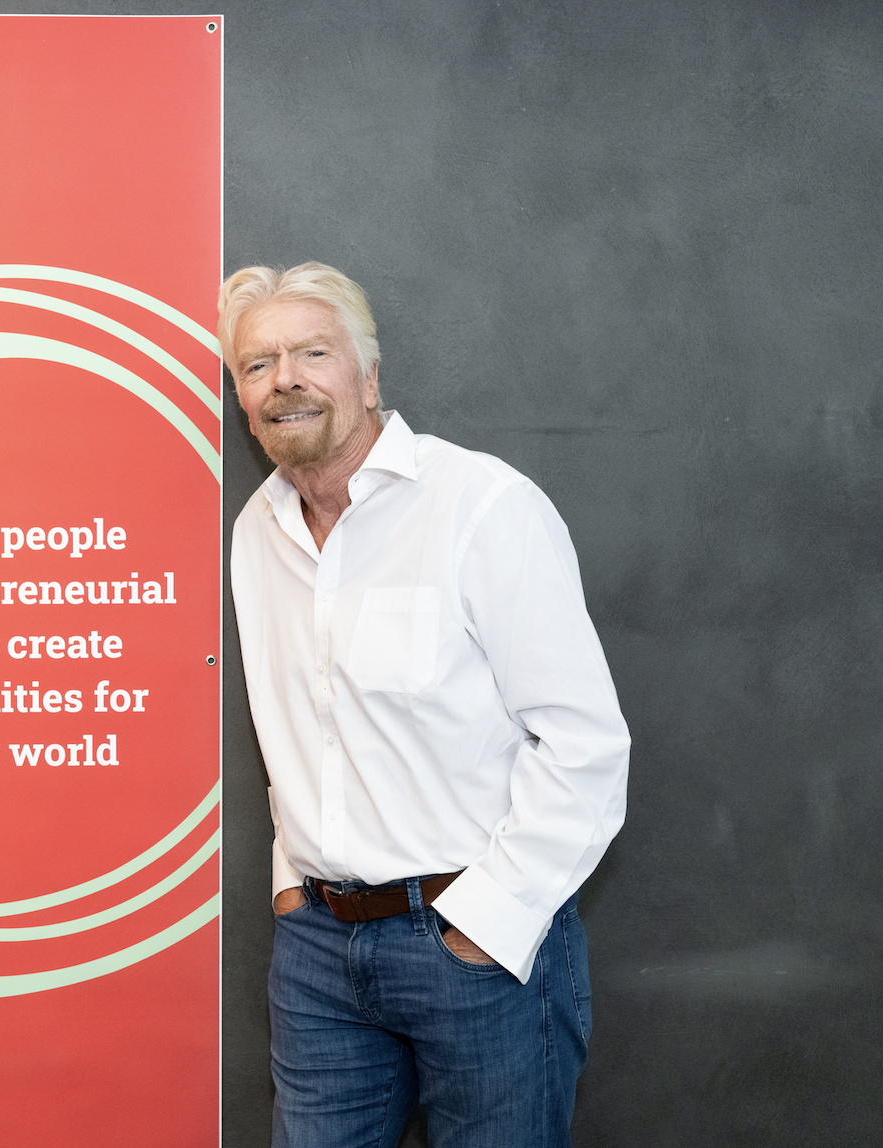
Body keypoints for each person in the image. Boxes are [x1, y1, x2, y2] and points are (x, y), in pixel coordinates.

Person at [223, 262, 630, 1148]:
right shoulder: (257, 534)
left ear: (369, 378)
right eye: (256, 365)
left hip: (475, 948)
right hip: (319, 960)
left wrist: (486, 921)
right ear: (245, 403)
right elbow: (296, 729)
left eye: (312, 352)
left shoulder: (483, 507)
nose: (283, 377)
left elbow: (585, 745)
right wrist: (293, 885)